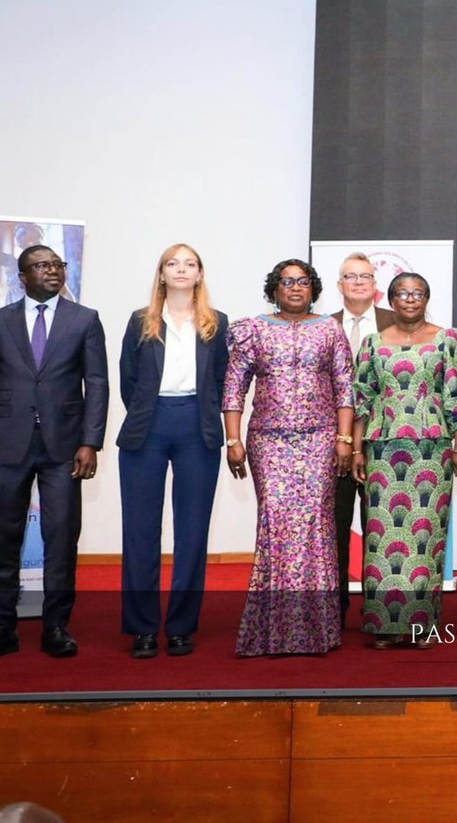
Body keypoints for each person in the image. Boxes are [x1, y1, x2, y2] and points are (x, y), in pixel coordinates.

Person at [0, 246, 108, 663]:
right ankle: (0, 628)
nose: (53, 272)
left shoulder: (85, 319)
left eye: (58, 265)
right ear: (22, 276)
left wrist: (90, 442)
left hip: (64, 447)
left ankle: (56, 628)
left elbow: (96, 384)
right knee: (2, 539)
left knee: (61, 539)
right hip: (6, 444)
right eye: (42, 266)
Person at [223, 259, 354, 657]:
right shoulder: (253, 330)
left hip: (320, 441)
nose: (295, 288)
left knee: (316, 523)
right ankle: (273, 628)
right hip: (268, 442)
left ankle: (318, 629)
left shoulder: (330, 329)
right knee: (276, 522)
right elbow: (233, 388)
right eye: (286, 282)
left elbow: (345, 386)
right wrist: (233, 441)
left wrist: (344, 439)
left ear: (313, 289)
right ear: (274, 289)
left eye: (302, 282)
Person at [116, 244, 229, 659]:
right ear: (161, 274)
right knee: (141, 531)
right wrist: (150, 411)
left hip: (197, 428)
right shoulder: (140, 321)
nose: (181, 269)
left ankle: (181, 626)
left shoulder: (216, 323)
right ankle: (142, 628)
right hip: (147, 427)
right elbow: (129, 380)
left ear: (200, 274)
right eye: (172, 263)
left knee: (193, 532)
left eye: (190, 264)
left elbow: (220, 379)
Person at [348, 273, 457, 649]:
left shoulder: (448, 340)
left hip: (432, 448)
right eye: (402, 293)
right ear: (392, 299)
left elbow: (456, 396)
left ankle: (421, 623)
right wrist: (354, 449)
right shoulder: (372, 343)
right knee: (381, 539)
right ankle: (384, 624)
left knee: (424, 537)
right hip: (381, 448)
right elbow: (361, 400)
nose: (410, 299)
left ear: (427, 298)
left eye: (417, 293)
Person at [331, 252, 396, 626]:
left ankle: (384, 610)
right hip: (336, 445)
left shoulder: (396, 323)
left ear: (376, 287)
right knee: (335, 529)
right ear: (339, 285)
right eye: (350, 277)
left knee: (383, 530)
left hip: (385, 444)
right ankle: (334, 610)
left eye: (365, 277)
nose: (358, 282)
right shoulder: (324, 326)